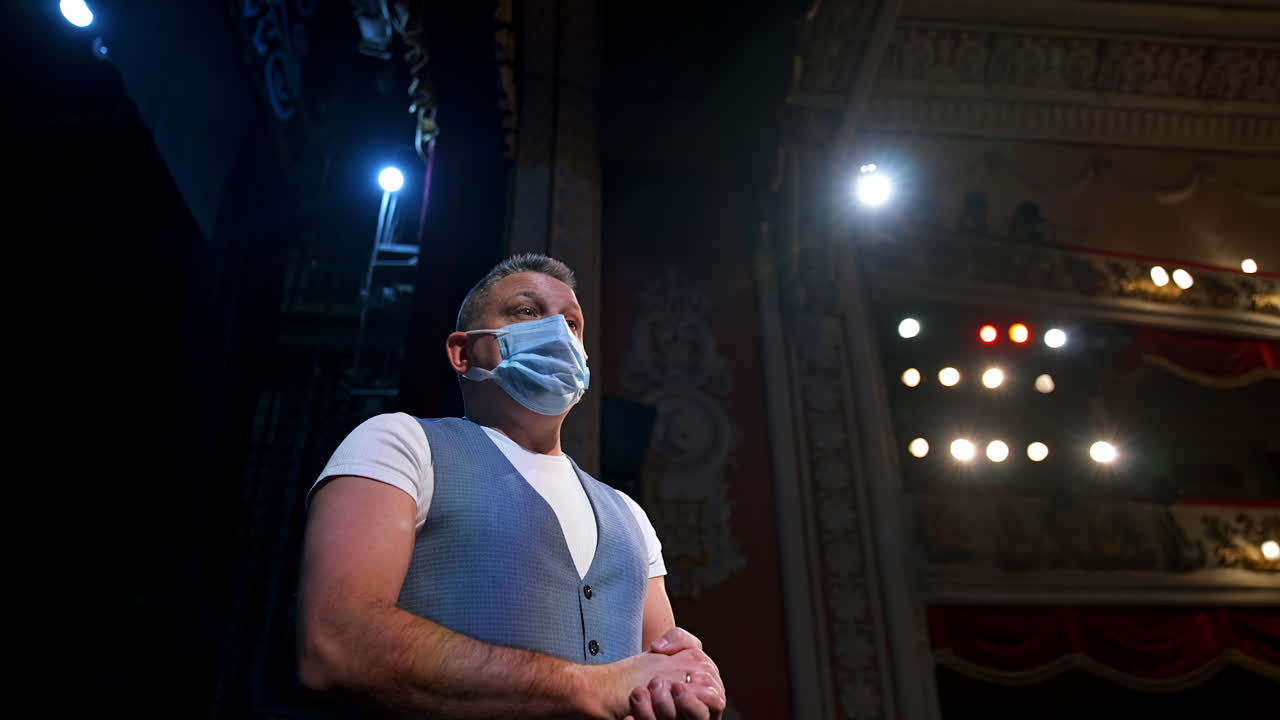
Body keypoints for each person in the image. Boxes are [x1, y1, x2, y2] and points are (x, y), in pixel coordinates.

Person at [298, 253, 727, 719]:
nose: (559, 334)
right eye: (527, 312)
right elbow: (338, 644)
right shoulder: (402, 443)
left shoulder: (630, 515)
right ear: (463, 352)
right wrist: (588, 686)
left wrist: (687, 682)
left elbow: (656, 682)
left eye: (572, 324)